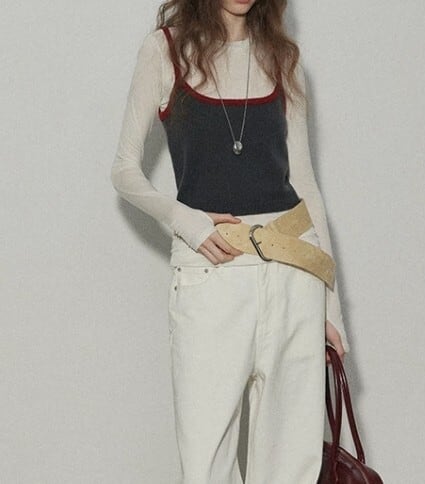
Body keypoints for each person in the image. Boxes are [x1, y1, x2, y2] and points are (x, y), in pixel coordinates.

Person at [111, 1, 351, 482]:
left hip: (294, 274)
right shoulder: (165, 51)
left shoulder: (283, 58)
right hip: (212, 276)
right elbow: (124, 170)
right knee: (206, 465)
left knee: (292, 466)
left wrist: (330, 305)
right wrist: (188, 222)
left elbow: (305, 183)